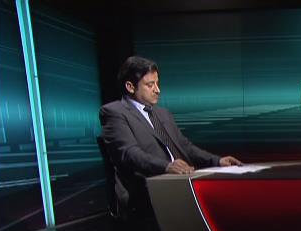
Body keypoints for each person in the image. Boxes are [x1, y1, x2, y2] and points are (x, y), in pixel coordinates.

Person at [100, 56, 242, 217]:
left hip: (180, 183)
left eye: (157, 83)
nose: (157, 90)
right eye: (150, 85)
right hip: (147, 190)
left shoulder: (162, 113)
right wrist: (167, 166)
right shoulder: (114, 112)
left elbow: (184, 146)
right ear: (130, 87)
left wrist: (217, 161)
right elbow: (129, 153)